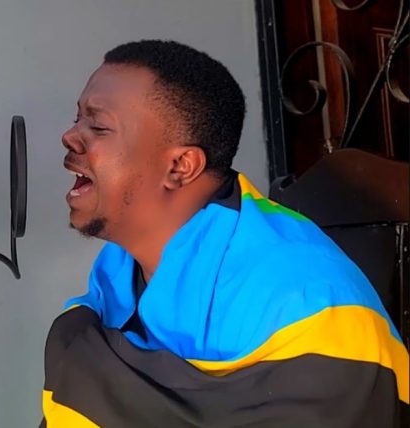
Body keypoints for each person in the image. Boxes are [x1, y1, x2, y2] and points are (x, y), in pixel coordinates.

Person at [40, 40, 408, 427]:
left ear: (180, 166)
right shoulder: (117, 266)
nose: (70, 136)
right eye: (77, 119)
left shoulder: (305, 298)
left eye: (98, 126)